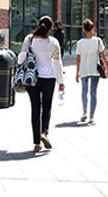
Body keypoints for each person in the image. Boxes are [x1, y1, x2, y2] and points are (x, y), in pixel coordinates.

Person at [18, 15, 64, 152]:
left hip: (33, 78)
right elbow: (57, 64)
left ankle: (37, 143)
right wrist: (61, 82)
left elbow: (21, 58)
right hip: (49, 78)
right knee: (47, 107)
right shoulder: (53, 42)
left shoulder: (29, 39)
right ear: (50, 29)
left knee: (35, 109)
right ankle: (44, 133)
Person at [75, 19, 108, 124]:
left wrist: (77, 73)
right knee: (93, 92)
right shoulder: (98, 41)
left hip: (84, 70)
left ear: (84, 30)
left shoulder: (80, 42)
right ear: (92, 29)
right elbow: (103, 56)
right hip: (95, 70)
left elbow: (78, 59)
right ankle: (92, 116)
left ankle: (84, 111)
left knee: (84, 91)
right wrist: (106, 67)